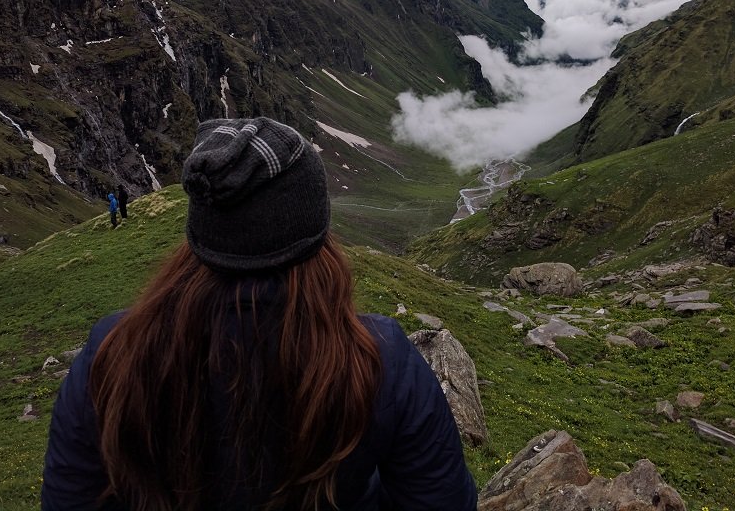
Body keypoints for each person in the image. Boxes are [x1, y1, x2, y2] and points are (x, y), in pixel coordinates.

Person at [42, 117, 477, 511]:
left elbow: (72, 498)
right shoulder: (380, 358)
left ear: (201, 234)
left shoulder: (115, 350)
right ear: (312, 235)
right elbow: (442, 500)